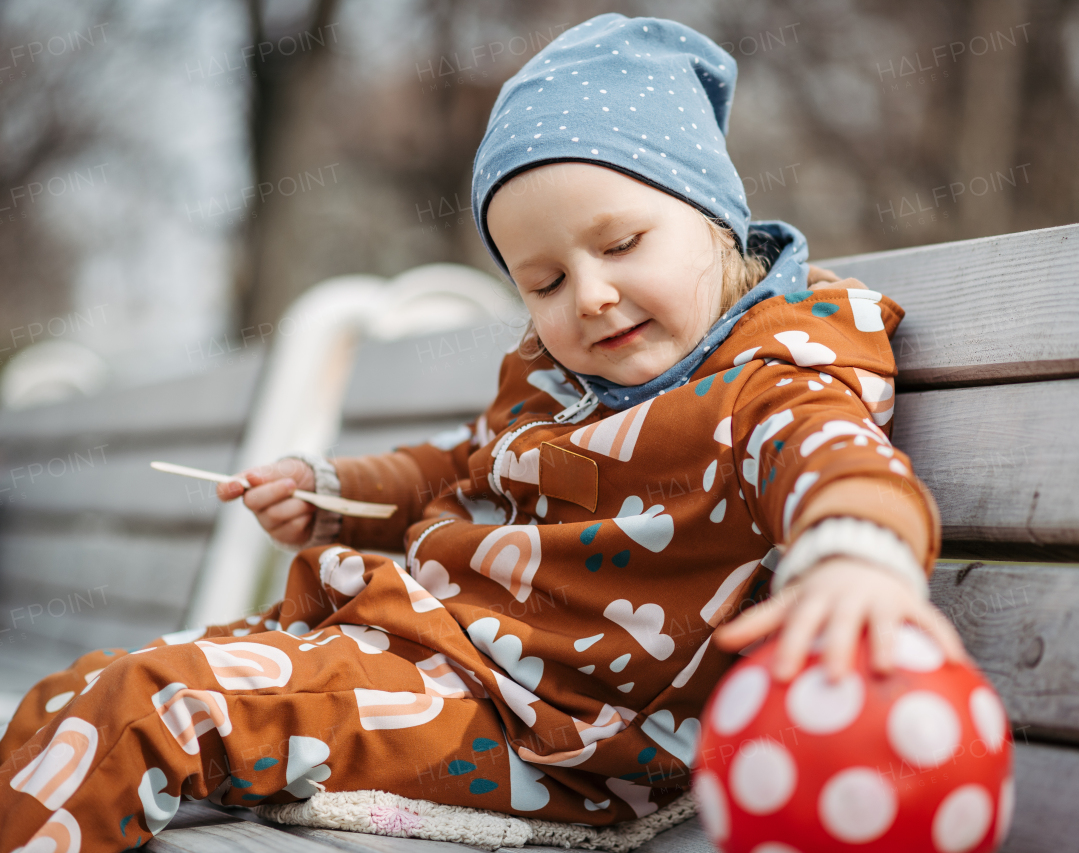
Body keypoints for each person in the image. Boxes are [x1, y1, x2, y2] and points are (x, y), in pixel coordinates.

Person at [0, 13, 968, 852]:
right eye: (541, 282)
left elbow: (837, 463)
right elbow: (457, 468)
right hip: (424, 661)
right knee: (73, 693)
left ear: (716, 221)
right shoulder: (563, 382)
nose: (588, 295)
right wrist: (330, 486)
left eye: (622, 244)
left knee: (143, 709)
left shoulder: (762, 386)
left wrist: (855, 560)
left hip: (543, 729)